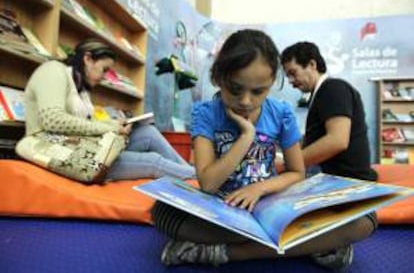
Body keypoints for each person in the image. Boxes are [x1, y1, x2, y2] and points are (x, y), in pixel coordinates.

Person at [151, 29, 372, 270]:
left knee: (365, 219)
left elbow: (296, 172)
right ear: (218, 78)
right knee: (161, 212)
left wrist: (260, 187)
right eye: (235, 89)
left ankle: (222, 252)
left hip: (271, 205)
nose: (246, 101)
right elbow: (208, 183)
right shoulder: (205, 113)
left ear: (271, 84)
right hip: (226, 211)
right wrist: (246, 136)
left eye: (258, 92)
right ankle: (314, 244)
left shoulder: (282, 113)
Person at [24, 38, 195, 181]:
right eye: (104, 69)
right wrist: (109, 127)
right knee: (152, 162)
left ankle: (193, 173)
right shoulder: (53, 71)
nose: (105, 76)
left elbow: (84, 126)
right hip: (61, 154)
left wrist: (114, 124)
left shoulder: (80, 88)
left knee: (147, 133)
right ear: (88, 59)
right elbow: (52, 120)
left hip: (84, 148)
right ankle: (201, 181)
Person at [281, 41, 378, 268]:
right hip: (330, 176)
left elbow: (337, 140)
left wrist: (290, 164)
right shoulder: (320, 95)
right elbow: (312, 142)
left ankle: (331, 238)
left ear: (312, 64)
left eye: (293, 73)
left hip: (344, 181)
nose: (292, 81)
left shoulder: (333, 88)